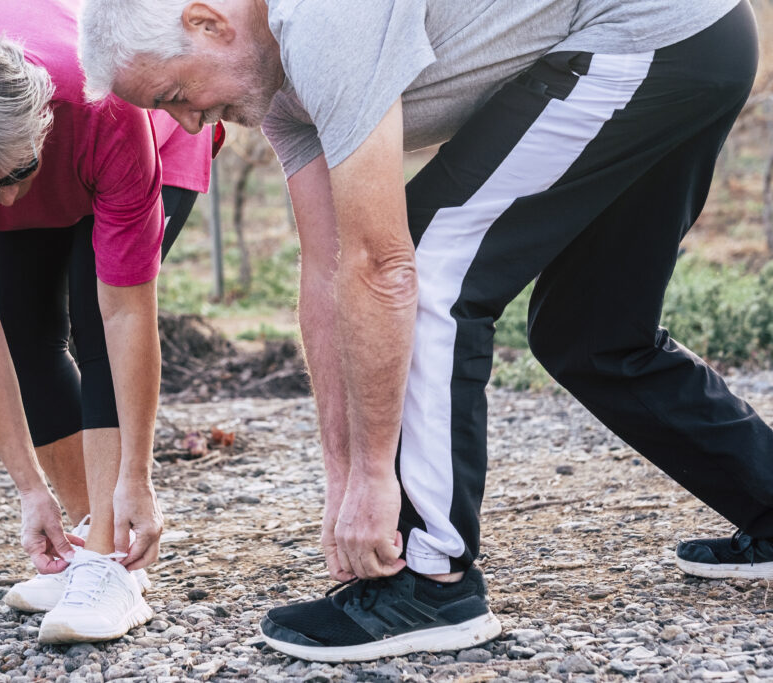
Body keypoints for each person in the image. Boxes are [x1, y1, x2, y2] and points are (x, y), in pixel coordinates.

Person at [78, 0, 773, 663]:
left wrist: (379, 477)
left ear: (207, 24)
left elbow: (383, 268)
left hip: (656, 32)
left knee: (434, 265)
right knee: (591, 330)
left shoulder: (320, 25)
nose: (191, 127)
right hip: (699, 42)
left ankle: (433, 581)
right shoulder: (276, 84)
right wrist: (345, 476)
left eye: (174, 94)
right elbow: (328, 272)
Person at [0, 0, 215, 644]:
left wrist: (135, 478)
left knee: (92, 316)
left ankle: (112, 560)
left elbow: (123, 312)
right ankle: (86, 537)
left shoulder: (100, 109)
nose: (5, 203)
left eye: (13, 177)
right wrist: (29, 489)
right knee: (22, 335)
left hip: (125, 148)